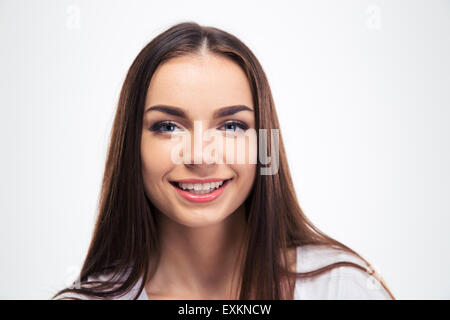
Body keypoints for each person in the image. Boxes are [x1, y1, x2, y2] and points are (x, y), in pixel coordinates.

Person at [52, 22, 395, 300]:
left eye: (232, 126)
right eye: (168, 126)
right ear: (132, 147)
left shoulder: (342, 289)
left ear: (266, 147)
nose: (201, 156)